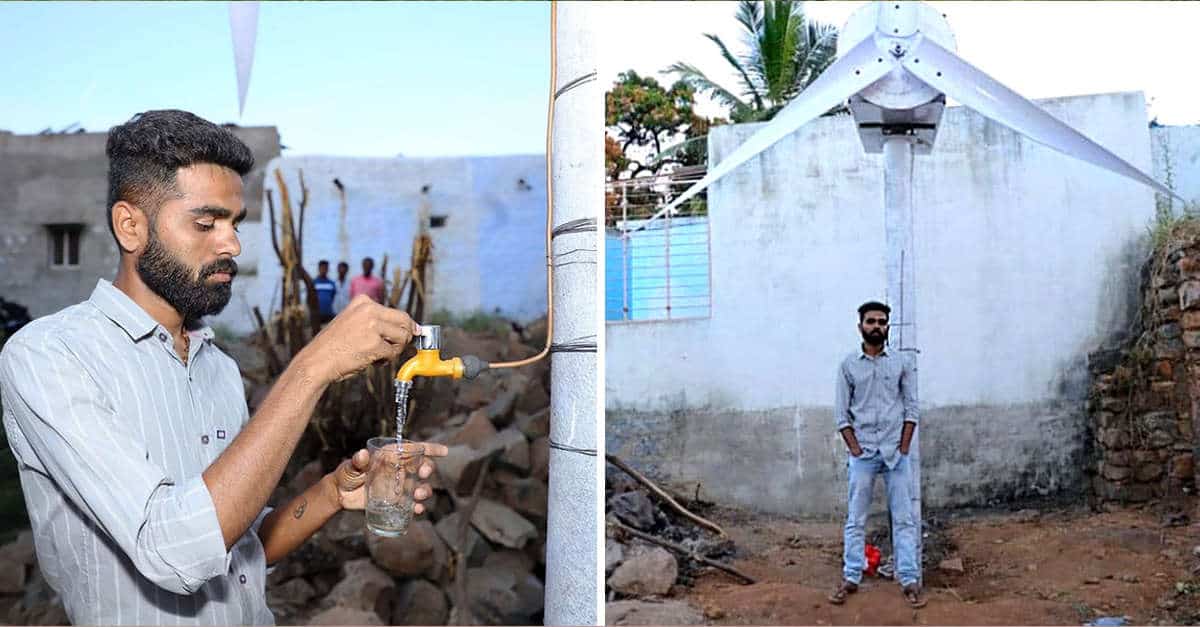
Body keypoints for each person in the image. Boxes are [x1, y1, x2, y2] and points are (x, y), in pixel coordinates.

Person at [0, 110, 446, 625]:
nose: (231, 244)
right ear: (130, 225)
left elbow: (235, 544)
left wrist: (331, 494)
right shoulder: (50, 357)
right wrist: (312, 367)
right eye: (205, 223)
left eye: (234, 223)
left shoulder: (217, 367)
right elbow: (174, 552)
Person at [828, 300, 924, 609]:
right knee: (856, 519)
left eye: (882, 321)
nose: (876, 326)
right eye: (871, 321)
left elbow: (911, 408)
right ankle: (851, 576)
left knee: (904, 518)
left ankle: (908, 579)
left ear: (888, 327)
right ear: (860, 327)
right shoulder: (848, 365)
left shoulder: (900, 362)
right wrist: (855, 449)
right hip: (864, 454)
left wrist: (904, 446)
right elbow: (842, 414)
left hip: (896, 454)